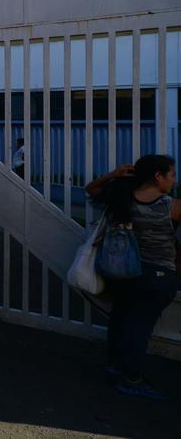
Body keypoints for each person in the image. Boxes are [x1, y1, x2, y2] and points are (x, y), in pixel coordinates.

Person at [85, 155, 180, 400]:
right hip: (157, 275)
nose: (173, 180)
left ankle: (114, 365)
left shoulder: (123, 198)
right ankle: (131, 378)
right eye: (171, 174)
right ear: (158, 176)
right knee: (139, 327)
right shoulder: (170, 205)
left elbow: (91, 189)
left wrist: (113, 174)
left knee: (121, 319)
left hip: (125, 271)